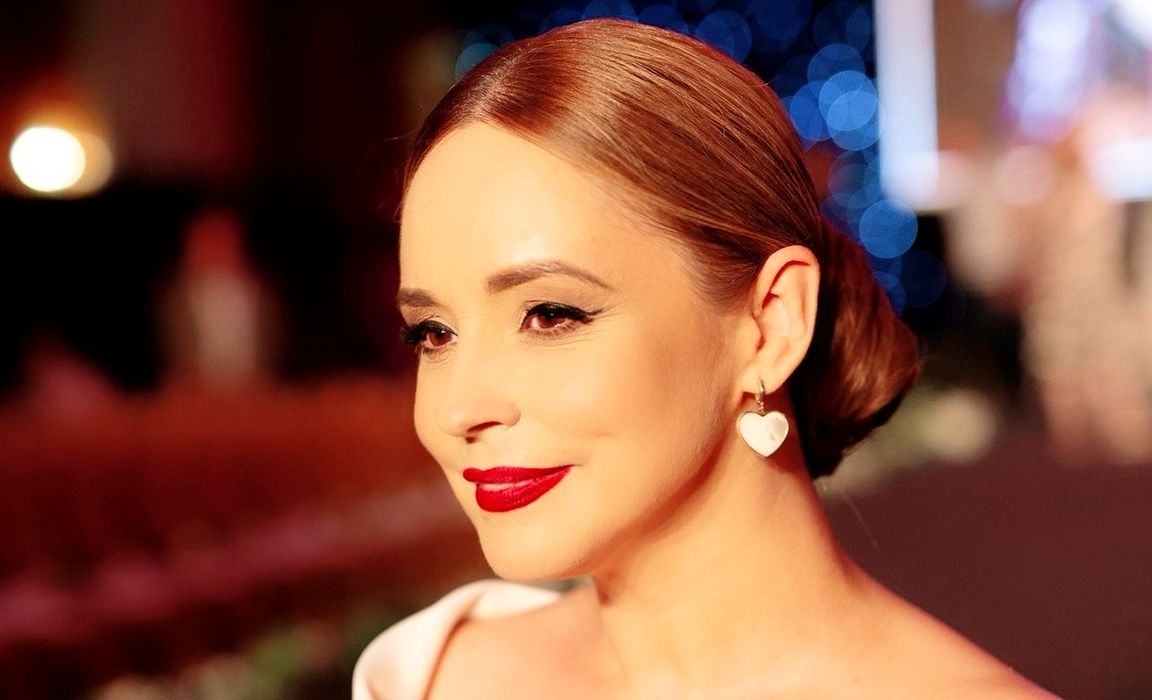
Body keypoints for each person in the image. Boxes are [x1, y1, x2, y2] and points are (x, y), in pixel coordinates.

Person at [354, 19, 1054, 699]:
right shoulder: (424, 677)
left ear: (772, 324)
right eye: (433, 334)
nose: (458, 410)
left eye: (550, 314)